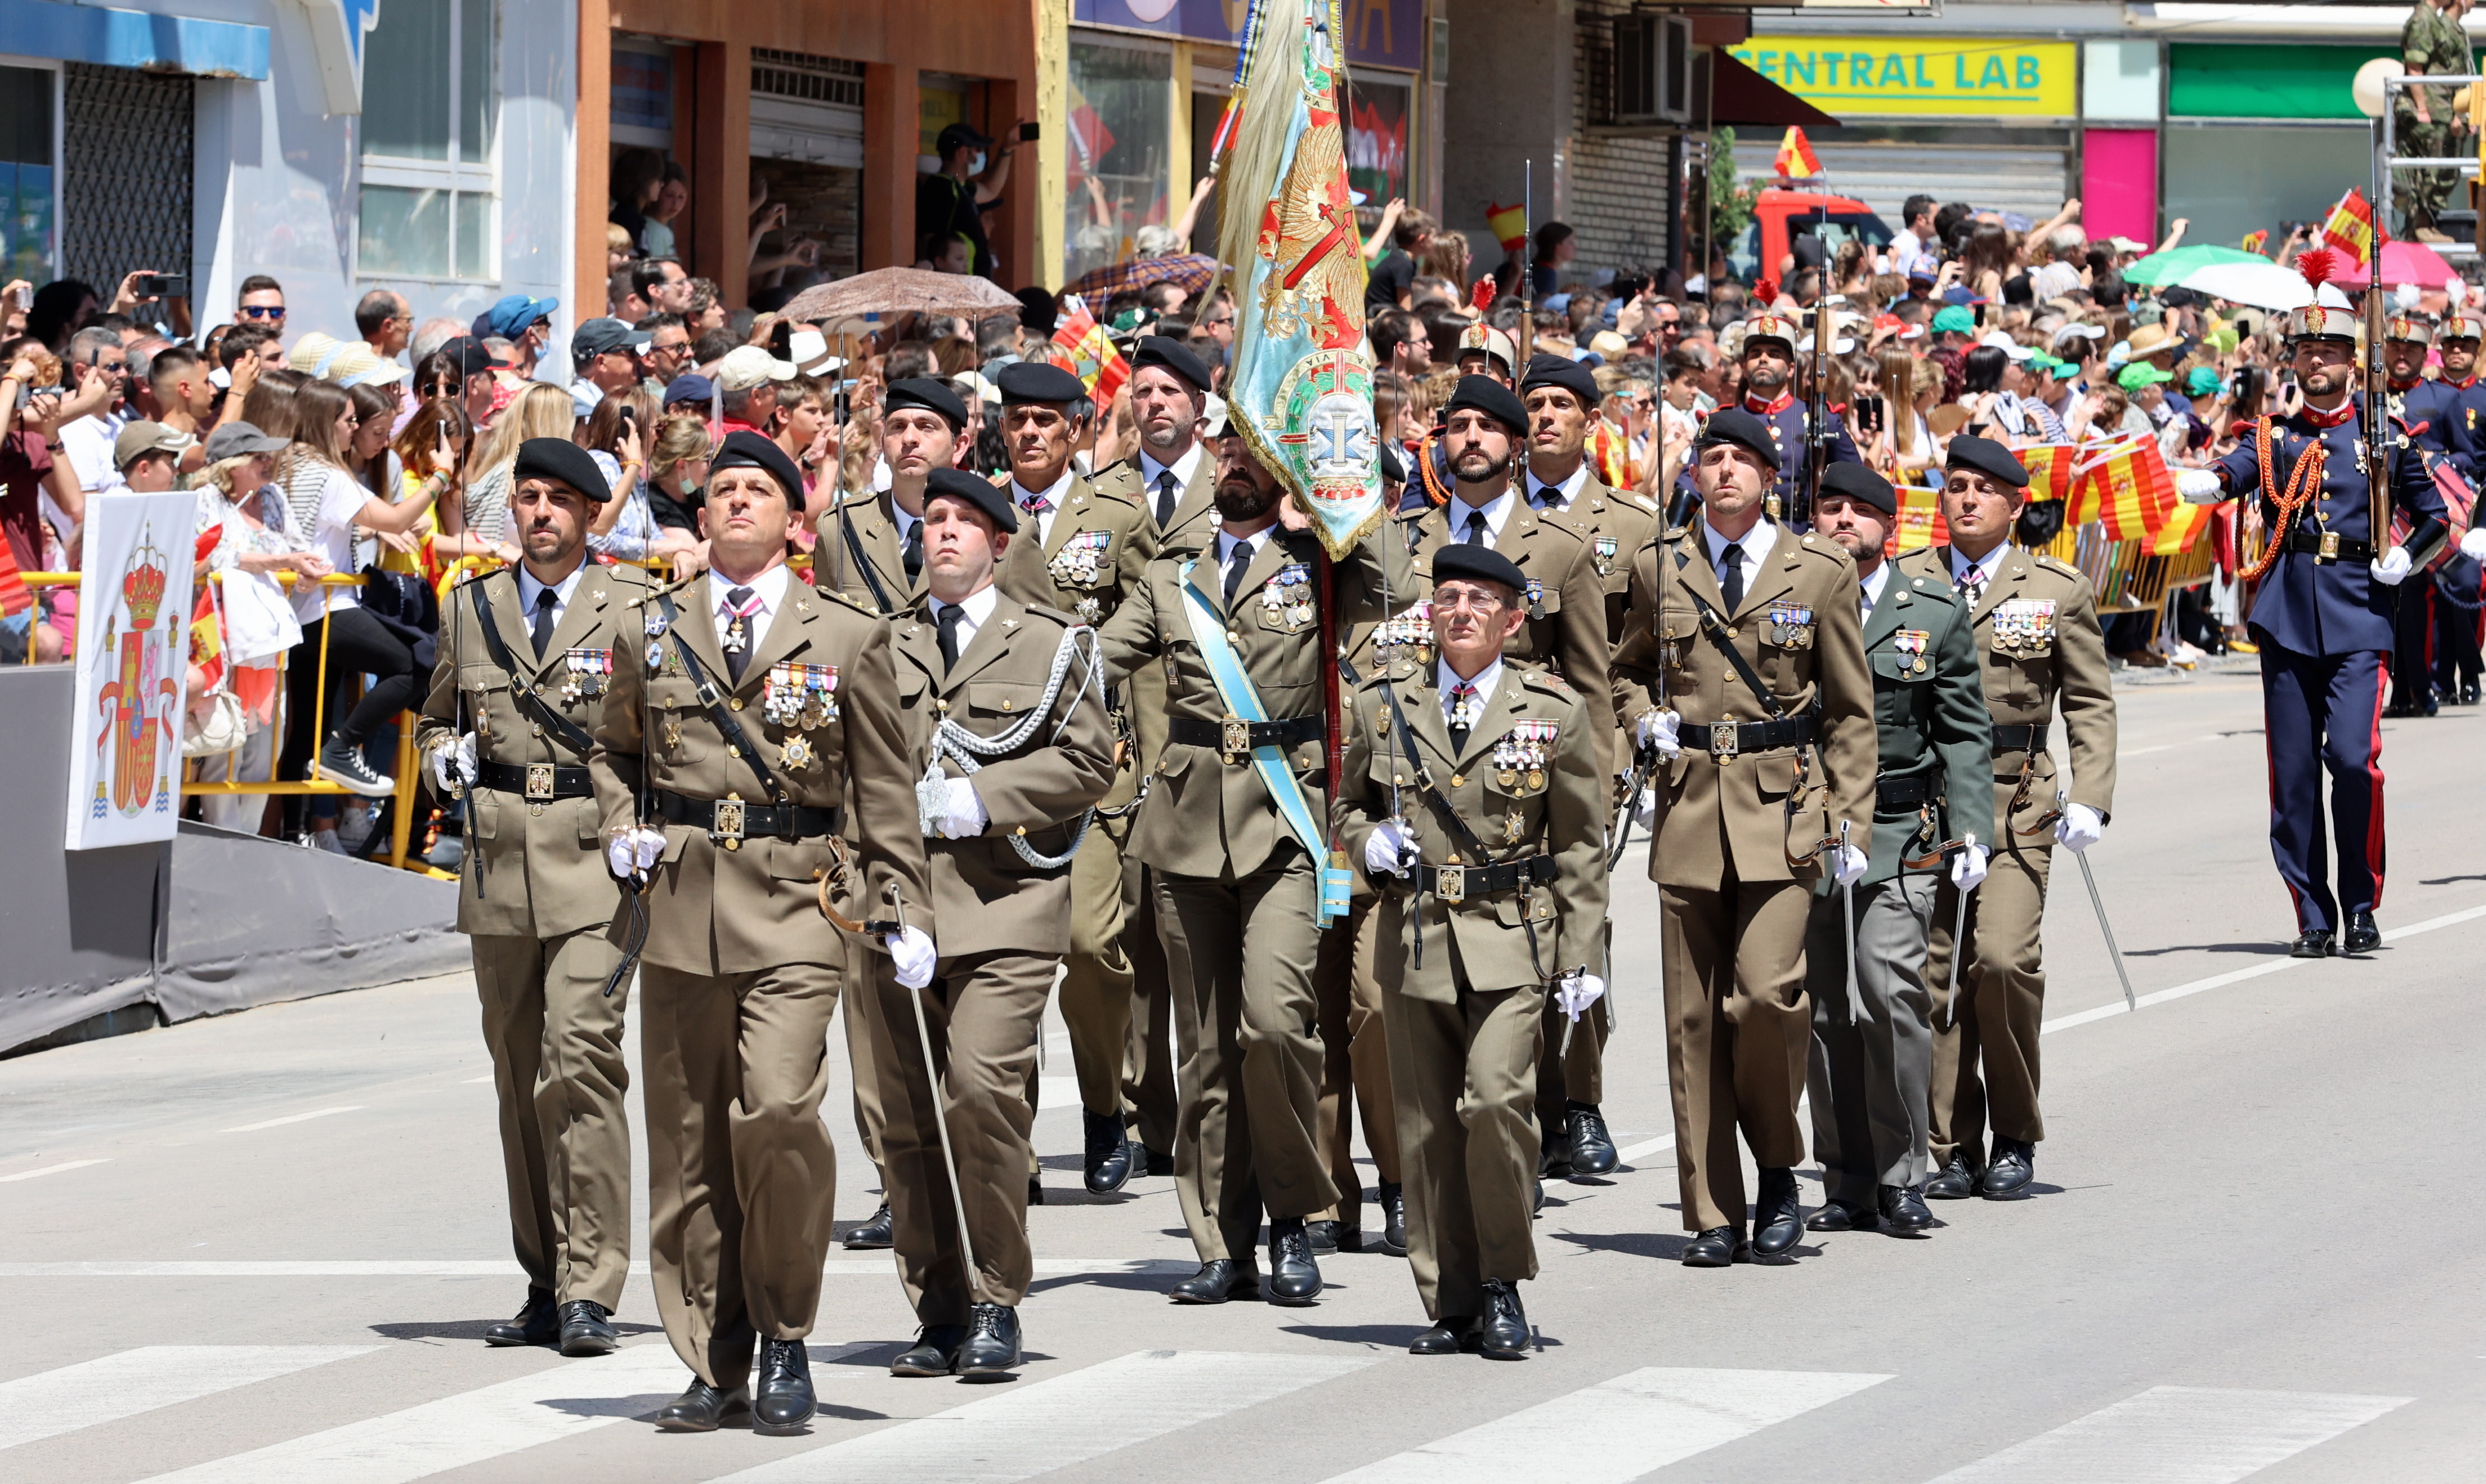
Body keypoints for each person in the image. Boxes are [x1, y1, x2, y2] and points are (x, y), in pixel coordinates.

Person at [589, 429, 935, 1434]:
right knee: (691, 1141)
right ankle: (713, 1352)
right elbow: (613, 750)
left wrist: (901, 906)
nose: (738, 501)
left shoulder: (846, 633)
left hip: (799, 900)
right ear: (703, 518)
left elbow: (883, 789)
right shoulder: (650, 628)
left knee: (779, 1112)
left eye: (759, 490)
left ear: (795, 519)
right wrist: (620, 828)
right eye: (723, 490)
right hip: (683, 903)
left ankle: (786, 1332)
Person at [1094, 423, 1405, 1306]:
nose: (1237, 462)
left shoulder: (1321, 563)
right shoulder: (1169, 574)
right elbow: (1099, 656)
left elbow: (1399, 581)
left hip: (1288, 819)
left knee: (1274, 1027)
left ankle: (1293, 1215)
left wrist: (1339, 491)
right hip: (1188, 822)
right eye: (1226, 450)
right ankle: (1220, 1242)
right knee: (1206, 1048)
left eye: (1255, 450)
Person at [1610, 408, 1875, 1266]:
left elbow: (1848, 712)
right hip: (1689, 805)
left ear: (1770, 476)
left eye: (1743, 459)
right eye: (1712, 458)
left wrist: (1847, 818)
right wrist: (1641, 721)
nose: (1725, 472)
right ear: (1693, 475)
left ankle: (1774, 1166)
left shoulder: (1820, 569)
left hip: (1781, 810)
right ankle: (1711, 1210)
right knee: (1693, 1020)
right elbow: (1621, 670)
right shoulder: (1659, 565)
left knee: (1764, 999)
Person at [869, 466, 1113, 1377]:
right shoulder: (879, 643)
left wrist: (988, 797)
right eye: (933, 518)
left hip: (1008, 902)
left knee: (978, 1092)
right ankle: (938, 1304)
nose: (944, 533)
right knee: (908, 1117)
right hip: (899, 908)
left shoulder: (1052, 641)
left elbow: (1091, 758)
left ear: (1000, 546)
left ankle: (996, 1292)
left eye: (965, 522)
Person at [1338, 541, 1605, 1357]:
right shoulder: (1383, 704)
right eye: (1447, 597)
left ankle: (1501, 1280)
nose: (1459, 611)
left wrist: (1581, 955)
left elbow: (1579, 843)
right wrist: (1365, 842)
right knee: (1423, 1128)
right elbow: (1345, 806)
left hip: (1511, 933)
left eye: (1479, 601)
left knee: (1493, 1104)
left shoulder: (1551, 710)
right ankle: (1450, 1297)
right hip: (1414, 933)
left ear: (1513, 619)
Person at [416, 438, 646, 1360]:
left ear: (591, 513)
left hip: (596, 855)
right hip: (500, 860)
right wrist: (440, 754)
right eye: (527, 496)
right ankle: (547, 1277)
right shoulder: (468, 606)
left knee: (577, 1059)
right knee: (519, 1076)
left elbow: (656, 731)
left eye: (558, 498)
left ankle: (594, 1284)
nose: (540, 511)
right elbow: (439, 713)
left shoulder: (633, 603)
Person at [2186, 292, 2453, 958]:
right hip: (2286, 617)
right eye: (2307, 353)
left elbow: (2435, 517)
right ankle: (2312, 911)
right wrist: (2202, 482)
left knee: (2355, 763)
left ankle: (2361, 902)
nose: (2317, 364)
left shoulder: (2382, 434)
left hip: (2361, 611)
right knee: (2296, 774)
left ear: (2351, 362)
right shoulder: (2276, 437)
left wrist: (2405, 555)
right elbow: (2235, 472)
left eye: (2329, 353)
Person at [1903, 436, 2118, 1201]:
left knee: (1999, 960)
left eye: (1981, 489)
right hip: (1927, 800)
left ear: (2014, 504)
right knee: (1940, 975)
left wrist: (2091, 791)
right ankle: (1951, 1143)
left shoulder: (2053, 589)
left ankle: (2014, 1130)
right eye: (1953, 486)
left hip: (2014, 793)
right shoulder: (1907, 582)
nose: (1964, 499)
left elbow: (2089, 697)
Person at [1800, 462, 1991, 1236]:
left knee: (1889, 998)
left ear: (1890, 524)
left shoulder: (1933, 609)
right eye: (1830, 508)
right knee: (1820, 1011)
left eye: (1860, 510)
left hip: (1894, 830)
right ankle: (1844, 1178)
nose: (1843, 521)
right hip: (1806, 829)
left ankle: (1904, 1170)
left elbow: (1963, 730)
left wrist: (1969, 828)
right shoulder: (1787, 601)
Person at [1511, 352, 1657, 1175]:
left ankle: (1581, 1100)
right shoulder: (1487, 519)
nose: (1546, 417)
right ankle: (1524, 1100)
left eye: (1562, 404)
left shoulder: (1630, 527)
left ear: (1591, 422)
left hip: (1583, 757)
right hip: (1496, 756)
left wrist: (1629, 745)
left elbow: (1638, 654)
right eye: (1533, 404)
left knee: (1578, 931)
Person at [1081, 336, 1217, 1185]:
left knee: (1191, 940)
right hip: (1119, 748)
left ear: (1200, 406)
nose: (1154, 403)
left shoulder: (1236, 491)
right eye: (1143, 390)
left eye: (1171, 390)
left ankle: (1206, 1114)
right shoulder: (1098, 497)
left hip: (1203, 746)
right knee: (1125, 933)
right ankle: (1146, 1118)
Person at [1728, 311, 1860, 526]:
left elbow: (1854, 479)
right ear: (1744, 367)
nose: (1763, 358)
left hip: (1800, 533)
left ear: (1791, 369)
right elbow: (1692, 484)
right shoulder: (1726, 421)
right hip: (1739, 530)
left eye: (1774, 354)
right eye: (1755, 354)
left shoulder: (1821, 418)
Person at [2399, 0, 2475, 243]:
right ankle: (2420, 225)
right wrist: (2422, 108)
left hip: (2443, 106)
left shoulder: (2438, 22)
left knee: (2443, 170)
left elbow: (2454, 71)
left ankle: (2426, 223)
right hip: (2433, 106)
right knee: (2431, 169)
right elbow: (2415, 66)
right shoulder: (2424, 19)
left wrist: (2460, 113)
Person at [916, 121, 1024, 280]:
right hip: (958, 291)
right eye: (978, 150)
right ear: (963, 152)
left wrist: (1007, 150)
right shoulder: (941, 189)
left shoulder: (959, 186)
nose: (980, 155)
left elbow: (990, 190)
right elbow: (930, 242)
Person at [352, 290, 414, 362]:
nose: (411, 328)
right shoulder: (380, 371)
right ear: (388, 326)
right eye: (408, 321)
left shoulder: (348, 367)